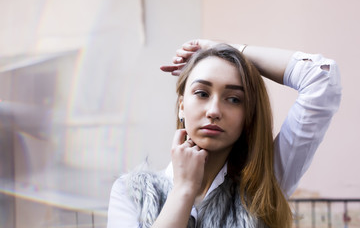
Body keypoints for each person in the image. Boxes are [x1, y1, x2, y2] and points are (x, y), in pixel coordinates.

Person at [107, 39, 342, 228]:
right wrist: (183, 190)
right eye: (201, 93)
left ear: (247, 115)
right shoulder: (131, 191)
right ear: (181, 105)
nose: (214, 111)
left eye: (233, 99)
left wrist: (225, 49)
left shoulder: (266, 181)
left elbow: (322, 77)